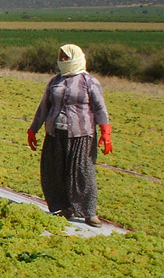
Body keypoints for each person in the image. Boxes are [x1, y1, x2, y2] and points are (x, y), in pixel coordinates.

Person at [26, 44, 113, 228]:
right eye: (61, 57)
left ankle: (89, 212)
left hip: (81, 134)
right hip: (55, 133)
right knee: (55, 172)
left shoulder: (89, 82)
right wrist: (33, 129)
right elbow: (44, 107)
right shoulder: (55, 82)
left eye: (67, 57)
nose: (64, 60)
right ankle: (64, 207)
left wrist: (105, 132)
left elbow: (99, 108)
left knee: (82, 173)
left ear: (77, 57)